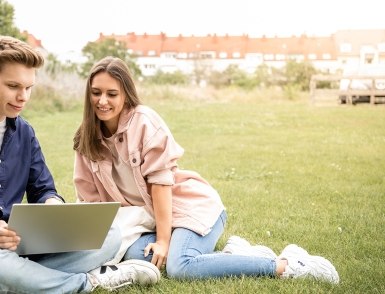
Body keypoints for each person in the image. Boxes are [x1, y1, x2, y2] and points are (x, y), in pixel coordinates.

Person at [0, 36, 161, 294]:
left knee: (109, 235)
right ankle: (90, 282)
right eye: (13, 86)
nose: (23, 97)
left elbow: (43, 190)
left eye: (29, 87)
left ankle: (12, 282)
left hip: (18, 250)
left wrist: (55, 210)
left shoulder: (24, 132)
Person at [72, 56, 339, 284]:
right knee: (135, 255)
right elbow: (90, 201)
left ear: (126, 94)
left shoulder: (144, 122)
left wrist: (164, 240)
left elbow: (161, 184)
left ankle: (288, 265)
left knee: (180, 266)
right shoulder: (86, 138)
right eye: (96, 93)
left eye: (112, 94)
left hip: (189, 211)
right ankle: (233, 255)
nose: (102, 101)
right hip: (145, 223)